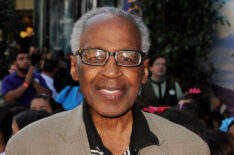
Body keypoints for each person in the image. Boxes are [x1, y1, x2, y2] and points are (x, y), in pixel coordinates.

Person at [6, 7, 209, 155]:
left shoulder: (190, 148)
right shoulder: (28, 146)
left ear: (144, 71)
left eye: (127, 58)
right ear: (75, 68)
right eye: (94, 57)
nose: (112, 72)